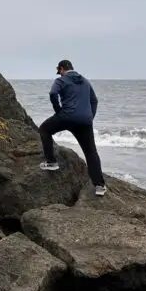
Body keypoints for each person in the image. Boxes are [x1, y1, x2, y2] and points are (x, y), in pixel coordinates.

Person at [39, 59, 107, 196]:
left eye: (60, 72)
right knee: (90, 152)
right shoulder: (86, 81)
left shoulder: (61, 81)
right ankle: (100, 186)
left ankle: (51, 162)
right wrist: (90, 116)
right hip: (85, 122)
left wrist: (58, 111)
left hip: (66, 117)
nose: (60, 74)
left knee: (44, 130)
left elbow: (53, 94)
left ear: (62, 69)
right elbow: (94, 101)